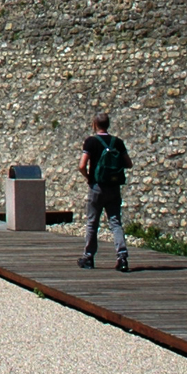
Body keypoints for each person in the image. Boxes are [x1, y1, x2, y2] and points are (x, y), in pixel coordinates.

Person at [77, 111, 131, 271]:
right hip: (113, 187)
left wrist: (88, 177)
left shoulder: (91, 142)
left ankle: (88, 257)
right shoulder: (118, 142)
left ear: (95, 124)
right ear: (108, 125)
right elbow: (128, 164)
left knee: (92, 223)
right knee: (115, 222)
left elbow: (81, 165)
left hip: (97, 186)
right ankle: (122, 257)